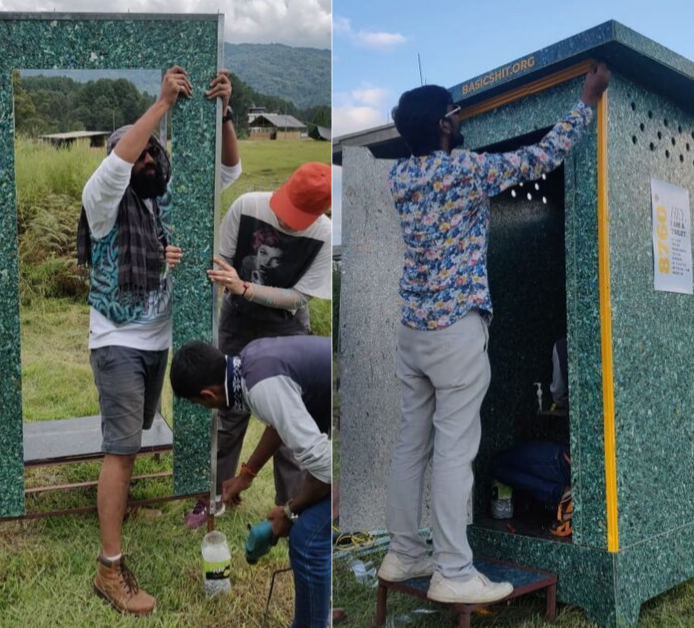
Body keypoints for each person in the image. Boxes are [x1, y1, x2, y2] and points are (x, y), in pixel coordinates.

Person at [378, 62, 610, 604]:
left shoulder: (400, 178)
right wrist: (587, 99)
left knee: (412, 445)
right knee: (456, 450)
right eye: (456, 117)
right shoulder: (465, 171)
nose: (461, 123)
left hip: (413, 332)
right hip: (456, 330)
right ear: (442, 124)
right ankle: (454, 571)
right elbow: (544, 156)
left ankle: (403, 551)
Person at [76, 64, 241, 616]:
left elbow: (227, 172)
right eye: (138, 154)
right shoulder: (101, 198)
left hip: (156, 341)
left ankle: (116, 510)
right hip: (117, 339)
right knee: (120, 449)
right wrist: (162, 104)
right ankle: (109, 569)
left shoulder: (160, 199)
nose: (148, 159)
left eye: (152, 154)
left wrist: (224, 114)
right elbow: (123, 157)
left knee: (139, 436)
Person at [171, 336, 332, 628]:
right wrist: (246, 476)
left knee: (306, 540)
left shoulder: (261, 387)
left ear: (208, 396)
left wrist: (289, 512)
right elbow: (279, 422)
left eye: (202, 405)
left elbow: (326, 467)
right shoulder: (249, 360)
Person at [203, 162, 332, 520]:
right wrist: (230, 284)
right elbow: (222, 260)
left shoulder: (324, 234)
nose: (290, 222)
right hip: (238, 321)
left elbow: (299, 297)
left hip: (287, 327)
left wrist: (246, 288)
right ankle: (217, 498)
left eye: (301, 217)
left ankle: (292, 508)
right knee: (228, 414)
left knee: (292, 422)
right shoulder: (247, 207)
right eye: (289, 210)